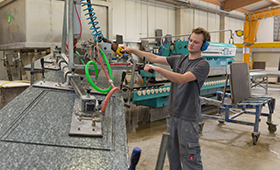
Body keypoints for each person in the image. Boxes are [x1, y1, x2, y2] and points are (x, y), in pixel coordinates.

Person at [121, 27, 210, 170]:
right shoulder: (180, 59)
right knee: (173, 156)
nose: (191, 44)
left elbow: (181, 79)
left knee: (190, 158)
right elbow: (154, 57)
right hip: (172, 115)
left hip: (187, 117)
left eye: (196, 42)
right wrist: (131, 50)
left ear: (203, 46)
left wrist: (157, 69)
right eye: (191, 40)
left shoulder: (202, 65)